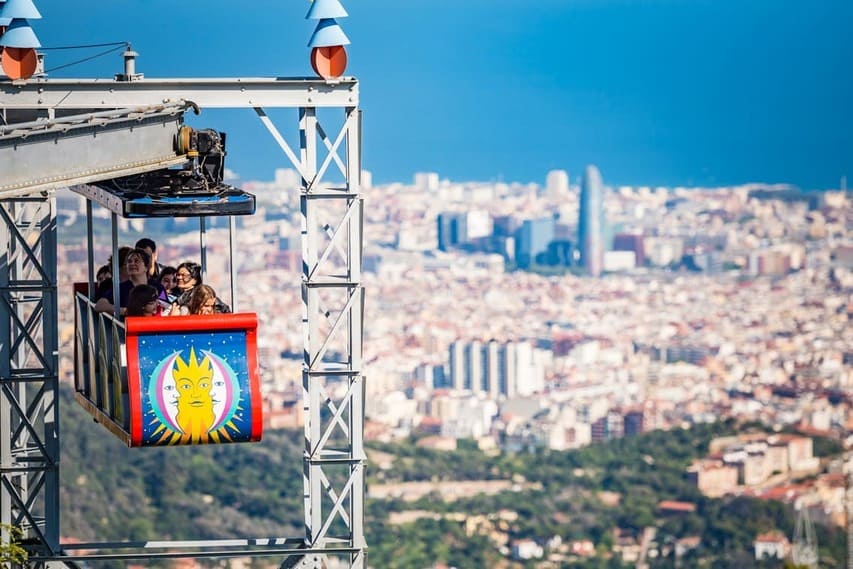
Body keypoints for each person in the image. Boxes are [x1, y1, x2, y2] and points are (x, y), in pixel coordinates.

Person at [94, 248, 166, 316]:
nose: (132, 264)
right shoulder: (120, 289)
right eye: (129, 261)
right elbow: (99, 306)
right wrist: (124, 311)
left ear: (146, 267)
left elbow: (165, 305)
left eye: (136, 261)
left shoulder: (159, 287)